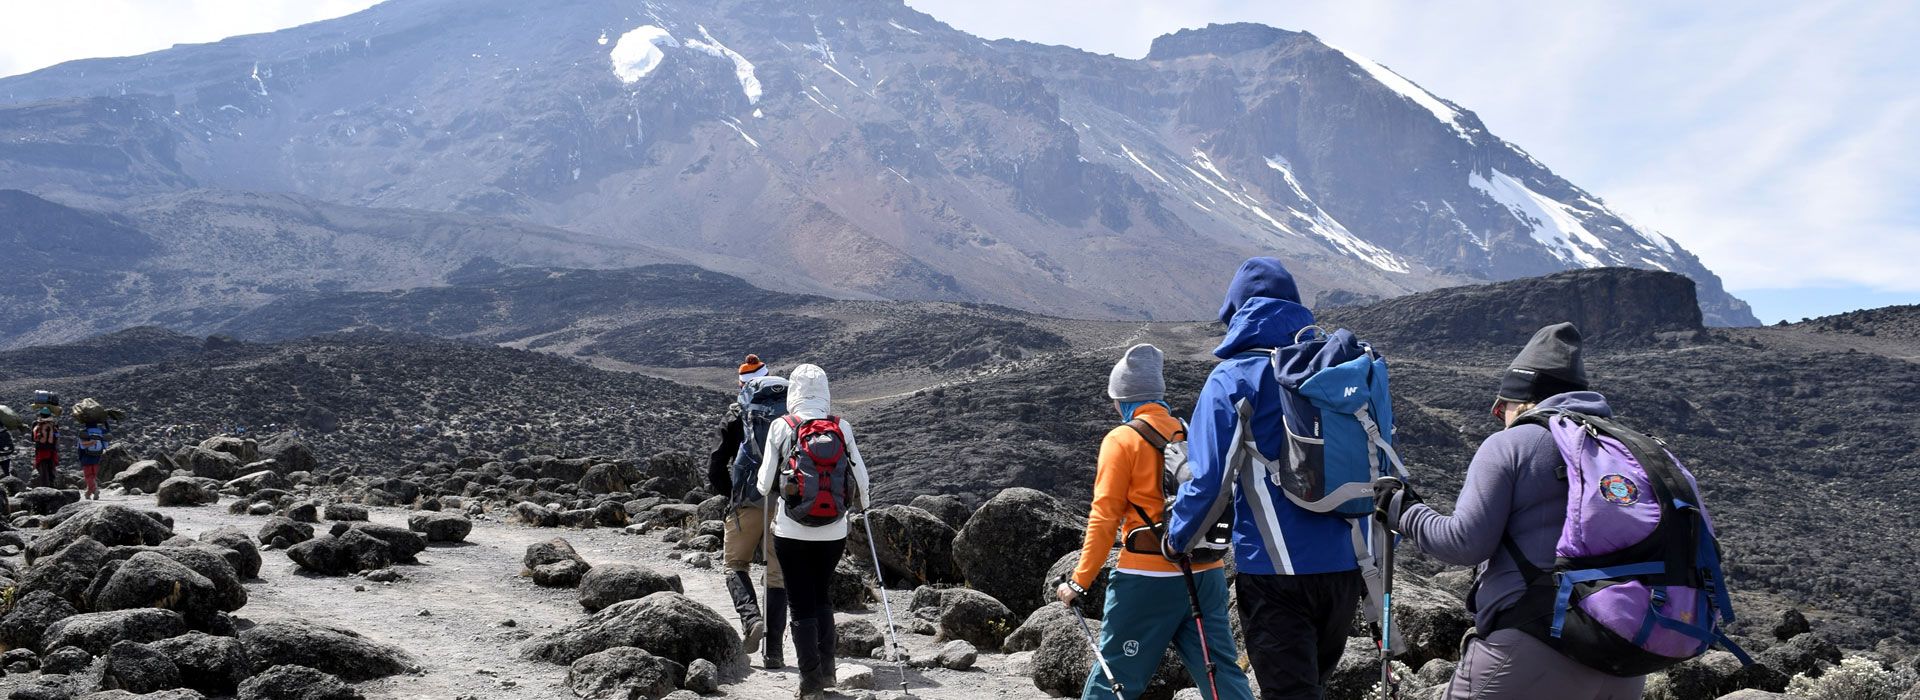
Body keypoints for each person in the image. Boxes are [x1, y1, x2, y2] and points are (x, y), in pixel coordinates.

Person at [1373, 323, 1644, 699]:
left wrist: (1403, 509)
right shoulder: (1631, 449)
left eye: (1501, 405)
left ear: (1523, 401)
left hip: (1534, 643)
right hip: (1627, 654)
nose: (1499, 415)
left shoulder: (1514, 442)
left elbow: (1465, 543)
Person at [1164, 257, 1364, 700]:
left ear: (1237, 315)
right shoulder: (1337, 371)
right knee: (1311, 687)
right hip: (1348, 566)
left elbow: (1210, 482)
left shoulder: (1233, 377)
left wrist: (1177, 540)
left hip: (1278, 571)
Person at [1057, 344, 1254, 700]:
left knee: (1115, 675)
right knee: (1222, 674)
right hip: (1206, 573)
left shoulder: (1122, 440)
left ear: (1123, 398)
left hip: (1146, 579)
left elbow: (1104, 518)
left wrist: (1080, 581)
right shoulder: (1193, 432)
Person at [754, 364, 870, 700]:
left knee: (800, 602)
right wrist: (863, 507)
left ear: (792, 392)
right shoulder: (840, 427)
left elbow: (764, 485)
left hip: (791, 533)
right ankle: (828, 670)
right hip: (833, 533)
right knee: (822, 596)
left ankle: (810, 684)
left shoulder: (782, 426)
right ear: (826, 392)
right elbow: (861, 479)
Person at [725, 373, 791, 670]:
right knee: (777, 577)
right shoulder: (793, 420)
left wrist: (729, 495)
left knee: (735, 564)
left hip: (749, 499)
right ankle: (774, 652)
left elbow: (718, 461)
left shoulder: (742, 418)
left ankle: (751, 618)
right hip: (786, 504)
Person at [30, 408, 59, 488]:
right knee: (51, 467)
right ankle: (52, 485)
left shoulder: (36, 423)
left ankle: (44, 486)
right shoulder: (54, 424)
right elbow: (57, 437)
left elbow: (33, 438)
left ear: (40, 414)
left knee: (42, 469)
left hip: (40, 449)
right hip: (52, 449)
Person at [76, 424, 106, 500]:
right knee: (93, 476)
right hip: (96, 458)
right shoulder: (100, 434)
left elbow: (81, 446)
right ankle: (88, 494)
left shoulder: (84, 434)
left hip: (86, 459)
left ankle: (95, 490)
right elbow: (105, 446)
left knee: (88, 476)